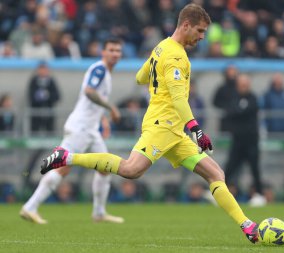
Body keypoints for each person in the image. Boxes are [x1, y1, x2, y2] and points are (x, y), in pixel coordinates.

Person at [40, 4, 259, 244]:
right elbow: (177, 99)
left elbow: (140, 77)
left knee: (216, 173)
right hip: (162, 126)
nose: (202, 36)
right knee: (131, 170)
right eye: (199, 30)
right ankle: (67, 157)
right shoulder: (175, 56)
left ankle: (246, 225)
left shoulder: (161, 47)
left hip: (174, 131)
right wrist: (196, 129)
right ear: (185, 25)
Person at [20, 38, 124, 224]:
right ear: (103, 52)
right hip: (80, 128)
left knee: (105, 167)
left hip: (90, 129)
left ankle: (99, 212)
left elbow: (91, 103)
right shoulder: (99, 69)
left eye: (118, 50)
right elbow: (89, 92)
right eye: (111, 50)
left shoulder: (105, 73)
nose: (115, 54)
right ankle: (30, 207)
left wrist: (103, 120)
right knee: (63, 167)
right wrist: (111, 108)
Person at [223, 74, 264, 204]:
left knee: (255, 169)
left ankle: (259, 195)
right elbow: (230, 113)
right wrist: (238, 112)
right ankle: (218, 192)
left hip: (251, 141)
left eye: (245, 84)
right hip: (237, 141)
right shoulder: (233, 98)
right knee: (229, 168)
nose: (243, 86)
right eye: (241, 84)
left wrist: (238, 112)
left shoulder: (253, 98)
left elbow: (244, 111)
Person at [27, 61, 61, 133]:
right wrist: (38, 97)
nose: (43, 71)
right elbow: (30, 96)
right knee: (35, 132)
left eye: (45, 69)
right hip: (36, 113)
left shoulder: (51, 81)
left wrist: (48, 96)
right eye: (41, 69)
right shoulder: (34, 81)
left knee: (50, 133)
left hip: (48, 113)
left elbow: (57, 96)